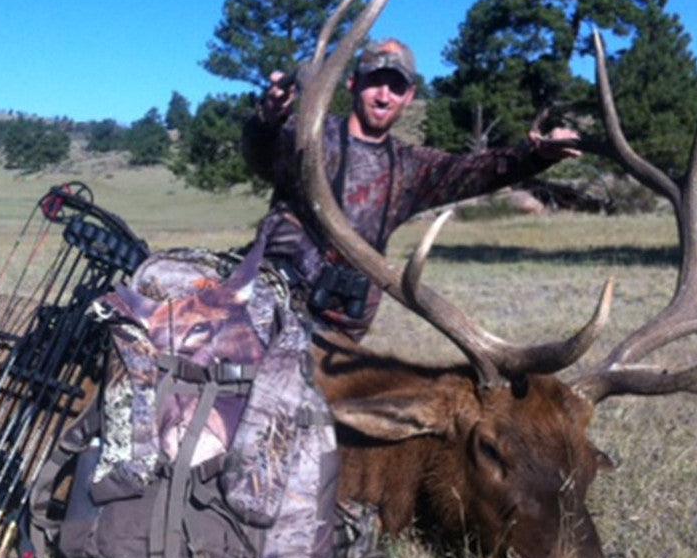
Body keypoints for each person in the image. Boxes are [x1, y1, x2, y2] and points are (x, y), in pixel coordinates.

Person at [241, 38, 580, 341]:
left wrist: (536, 155)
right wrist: (267, 118)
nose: (384, 95)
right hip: (270, 304)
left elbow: (477, 171)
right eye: (375, 81)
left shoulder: (410, 167)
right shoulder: (307, 135)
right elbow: (260, 154)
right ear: (353, 83)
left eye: (396, 86)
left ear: (409, 97)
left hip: (341, 328)